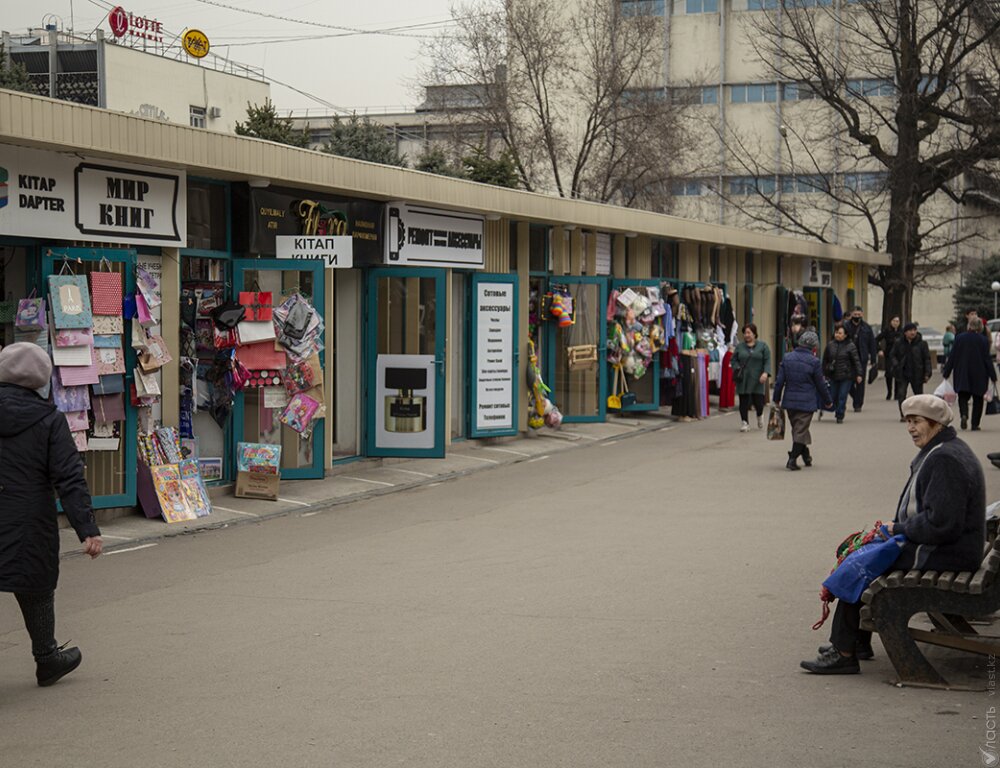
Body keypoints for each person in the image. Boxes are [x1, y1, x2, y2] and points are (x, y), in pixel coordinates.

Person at [800, 394, 985, 674]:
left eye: (917, 422)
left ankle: (844, 652)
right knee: (867, 557)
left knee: (862, 565)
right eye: (908, 421)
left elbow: (942, 524)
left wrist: (897, 529)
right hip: (953, 548)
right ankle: (855, 642)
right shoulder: (944, 450)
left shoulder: (945, 459)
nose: (910, 428)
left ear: (935, 424)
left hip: (948, 552)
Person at [0, 343, 102, 687]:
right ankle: (47, 658)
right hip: (29, 520)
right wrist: (87, 529)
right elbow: (69, 477)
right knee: (36, 586)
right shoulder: (48, 420)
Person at [773, 330, 832, 470]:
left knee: (798, 429)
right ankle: (792, 459)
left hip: (790, 402)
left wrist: (776, 398)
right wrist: (828, 400)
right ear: (813, 346)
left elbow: (779, 381)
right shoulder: (814, 362)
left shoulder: (787, 358)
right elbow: (820, 384)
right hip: (807, 402)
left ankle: (806, 455)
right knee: (800, 430)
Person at [942, 317, 997, 432]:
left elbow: (953, 356)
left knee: (963, 396)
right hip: (979, 374)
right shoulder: (983, 340)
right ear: (980, 327)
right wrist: (993, 376)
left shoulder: (960, 338)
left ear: (969, 326)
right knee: (978, 400)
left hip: (963, 372)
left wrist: (946, 372)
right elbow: (987, 359)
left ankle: (964, 414)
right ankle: (975, 424)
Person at [730, 323, 772, 432]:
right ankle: (745, 422)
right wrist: (737, 367)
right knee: (743, 401)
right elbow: (733, 360)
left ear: (754, 334)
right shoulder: (740, 347)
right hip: (743, 378)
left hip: (758, 378)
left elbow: (767, 361)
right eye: (745, 333)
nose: (746, 335)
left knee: (759, 402)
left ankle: (760, 415)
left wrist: (766, 373)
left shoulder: (763, 346)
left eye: (749, 332)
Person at [889, 323, 931, 420]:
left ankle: (920, 414)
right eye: (910, 330)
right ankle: (903, 414)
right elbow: (892, 355)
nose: (913, 332)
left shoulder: (922, 344)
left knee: (919, 396)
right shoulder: (899, 343)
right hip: (903, 373)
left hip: (917, 373)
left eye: (914, 330)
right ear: (905, 333)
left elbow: (927, 359)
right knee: (901, 394)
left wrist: (927, 373)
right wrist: (896, 364)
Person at [822, 325, 862, 424]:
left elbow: (856, 361)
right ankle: (838, 408)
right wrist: (824, 372)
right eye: (836, 333)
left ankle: (840, 414)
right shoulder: (830, 345)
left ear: (845, 335)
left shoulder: (850, 346)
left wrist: (859, 374)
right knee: (833, 395)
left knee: (842, 395)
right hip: (833, 375)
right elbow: (825, 360)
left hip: (846, 376)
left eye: (840, 333)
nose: (837, 335)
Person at [842, 306, 878, 412]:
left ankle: (858, 404)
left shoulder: (866, 328)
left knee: (860, 382)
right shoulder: (845, 326)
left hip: (862, 358)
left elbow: (872, 343)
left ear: (862, 315)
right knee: (848, 380)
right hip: (848, 358)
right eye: (855, 314)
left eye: (859, 315)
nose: (857, 317)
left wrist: (873, 359)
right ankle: (855, 397)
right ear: (851, 314)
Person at [876, 316, 903, 400]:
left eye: (897, 321)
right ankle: (889, 392)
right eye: (894, 321)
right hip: (889, 354)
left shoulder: (901, 332)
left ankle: (897, 393)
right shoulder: (887, 331)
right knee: (889, 374)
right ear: (891, 322)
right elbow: (876, 339)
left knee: (898, 374)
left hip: (899, 355)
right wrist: (879, 350)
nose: (896, 323)